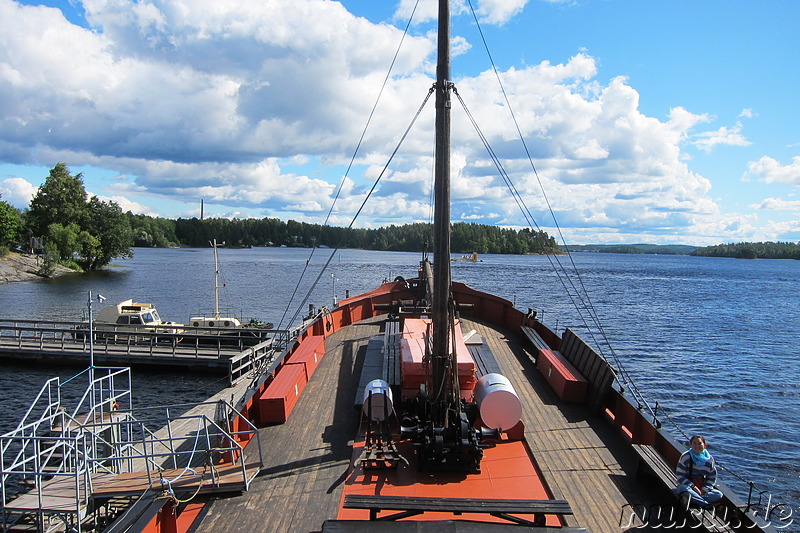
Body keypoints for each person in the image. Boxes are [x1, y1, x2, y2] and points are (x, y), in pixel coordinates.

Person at [675, 435, 724, 509]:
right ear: (691, 445)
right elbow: (680, 476)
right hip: (687, 487)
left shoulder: (709, 460)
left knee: (718, 494)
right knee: (682, 489)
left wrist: (705, 489)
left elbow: (712, 477)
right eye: (694, 443)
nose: (697, 446)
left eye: (699, 443)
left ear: (704, 445)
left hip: (701, 489)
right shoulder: (685, 457)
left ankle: (692, 500)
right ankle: (706, 505)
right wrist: (693, 487)